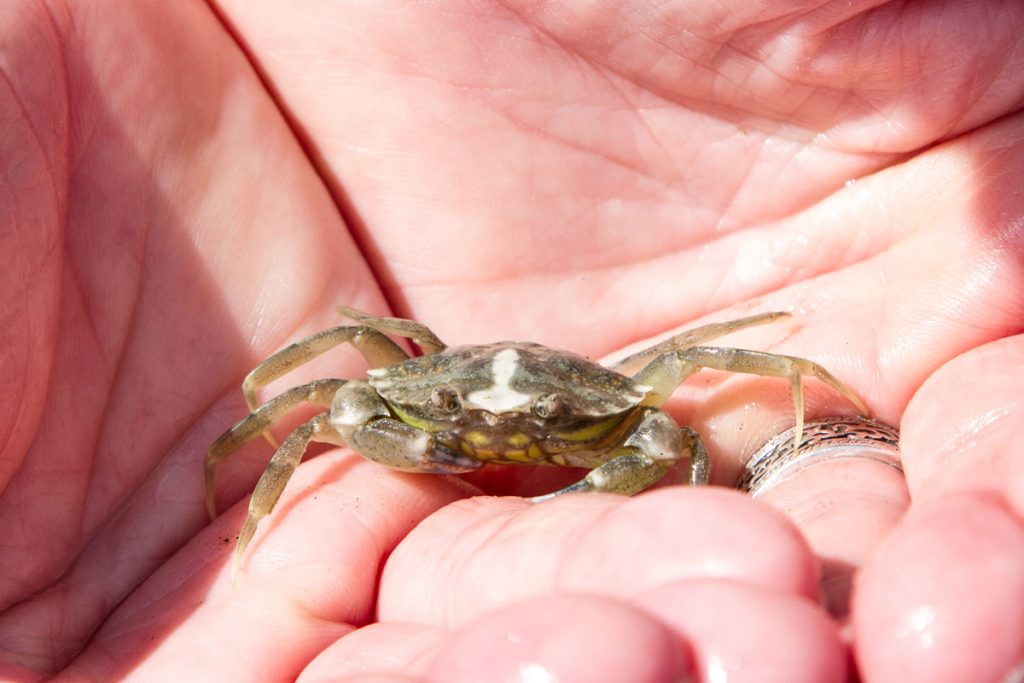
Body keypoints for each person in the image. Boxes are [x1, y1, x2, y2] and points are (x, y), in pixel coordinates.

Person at [1, 2, 1022, 681]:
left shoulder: (616, 399)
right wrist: (244, 469)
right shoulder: (395, 381)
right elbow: (306, 388)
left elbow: (673, 427)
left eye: (534, 427)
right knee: (331, 393)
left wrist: (760, 409)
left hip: (592, 391)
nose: (498, 436)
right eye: (458, 418)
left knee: (674, 425)